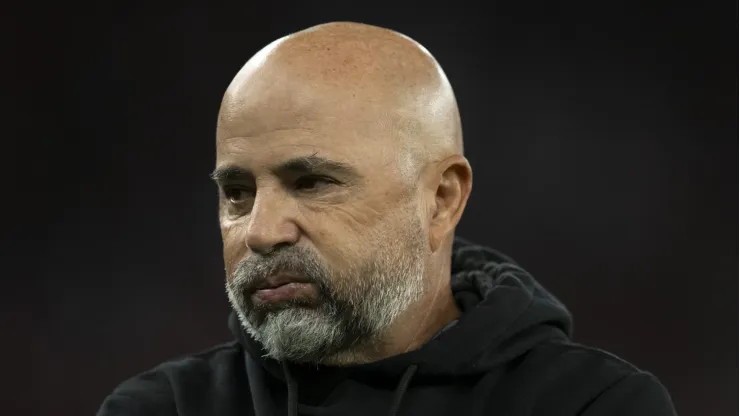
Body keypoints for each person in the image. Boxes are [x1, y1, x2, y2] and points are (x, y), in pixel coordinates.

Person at [97, 22, 677, 416]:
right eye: (237, 192)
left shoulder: (591, 405)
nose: (261, 231)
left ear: (442, 198)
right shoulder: (159, 408)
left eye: (313, 182)